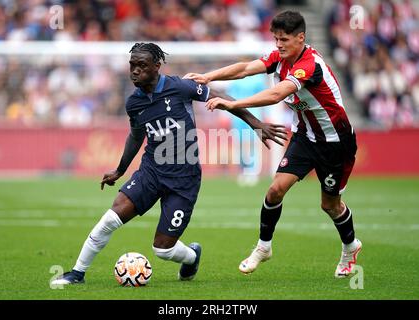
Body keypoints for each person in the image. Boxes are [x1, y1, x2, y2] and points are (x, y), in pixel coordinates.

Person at [51, 42, 287, 285]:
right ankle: (77, 273)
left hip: (184, 180)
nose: (134, 71)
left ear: (156, 66)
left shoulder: (180, 87)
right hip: (150, 173)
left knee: (162, 250)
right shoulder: (134, 102)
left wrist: (255, 123)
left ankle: (192, 256)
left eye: (141, 65)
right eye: (132, 65)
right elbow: (136, 135)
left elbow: (222, 98)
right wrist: (120, 170)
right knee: (110, 219)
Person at [185, 11, 362, 278]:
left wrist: (233, 104)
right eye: (276, 39)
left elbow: (278, 93)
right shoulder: (278, 58)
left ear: (300, 38)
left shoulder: (309, 65)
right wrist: (208, 76)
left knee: (330, 205)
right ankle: (263, 247)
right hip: (305, 136)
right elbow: (245, 68)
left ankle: (350, 248)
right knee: (275, 189)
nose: (278, 45)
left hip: (335, 143)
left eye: (284, 39)